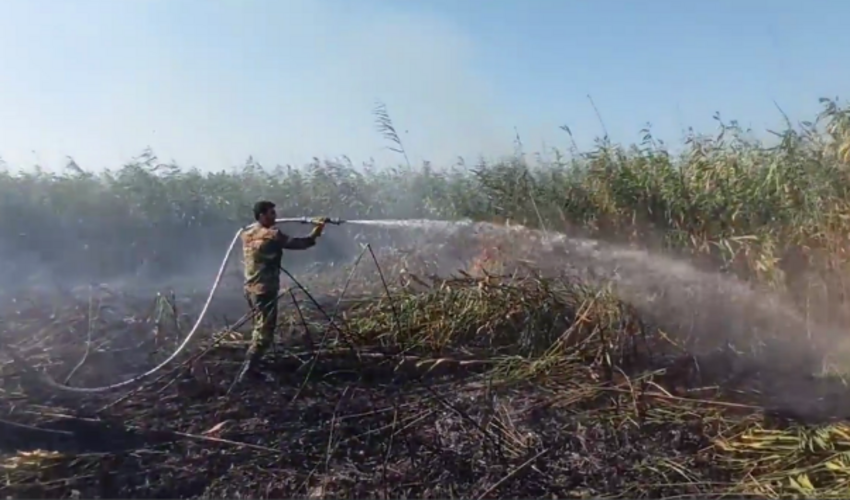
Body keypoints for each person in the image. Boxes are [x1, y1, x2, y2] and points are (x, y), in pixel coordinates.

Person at [240, 200, 326, 376]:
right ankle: (248, 371)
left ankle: (253, 365)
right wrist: (317, 230)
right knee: (264, 332)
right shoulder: (272, 235)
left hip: (250, 288)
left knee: (259, 327)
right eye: (271, 213)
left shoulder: (247, 234)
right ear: (262, 215)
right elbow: (301, 243)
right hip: (265, 289)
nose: (275, 216)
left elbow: (260, 234)